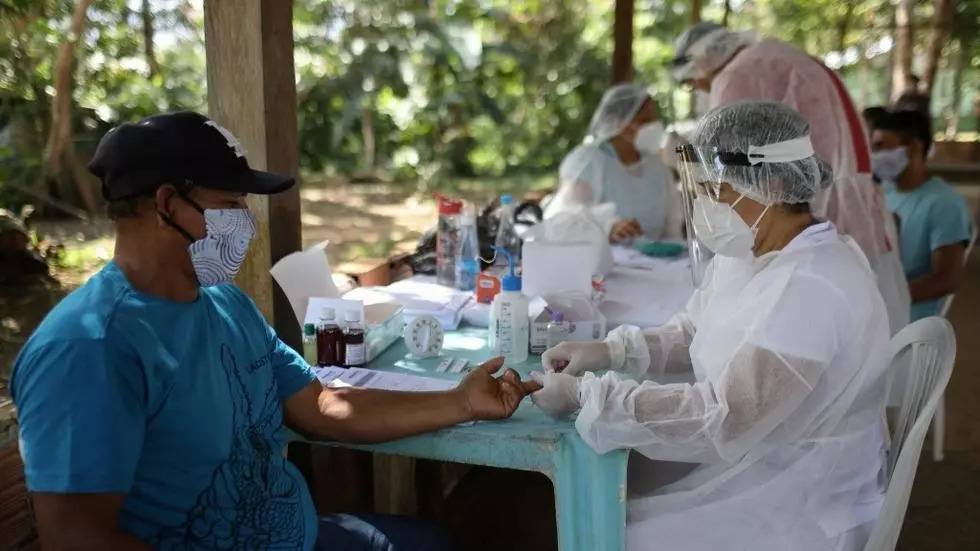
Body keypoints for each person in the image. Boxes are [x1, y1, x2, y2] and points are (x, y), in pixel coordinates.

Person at [10, 111, 539, 551]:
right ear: (168, 205)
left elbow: (324, 405)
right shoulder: (91, 347)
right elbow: (76, 537)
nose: (247, 221)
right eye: (231, 204)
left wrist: (462, 401)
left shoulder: (225, 305)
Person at [531, 101, 892, 551]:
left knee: (618, 535)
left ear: (774, 185)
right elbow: (692, 330)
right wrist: (610, 351)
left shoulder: (813, 285)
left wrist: (590, 394)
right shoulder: (755, 253)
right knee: (606, 507)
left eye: (716, 191)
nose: (703, 206)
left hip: (809, 494)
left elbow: (726, 416)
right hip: (762, 457)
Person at [669, 22, 911, 335]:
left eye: (693, 80)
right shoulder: (775, 55)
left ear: (702, 59)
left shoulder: (735, 76)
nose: (697, 87)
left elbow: (723, 162)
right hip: (850, 206)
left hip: (812, 213)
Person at [544, 83, 683, 243]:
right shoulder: (588, 162)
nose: (654, 126)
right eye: (645, 120)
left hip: (660, 264)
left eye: (654, 119)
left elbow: (673, 224)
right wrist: (607, 227)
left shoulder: (656, 166)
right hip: (603, 264)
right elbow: (561, 218)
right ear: (618, 122)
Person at [874, 109, 973, 321]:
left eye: (882, 146)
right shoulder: (884, 192)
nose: (875, 155)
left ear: (913, 147)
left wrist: (886, 299)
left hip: (908, 323)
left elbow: (946, 279)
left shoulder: (945, 204)